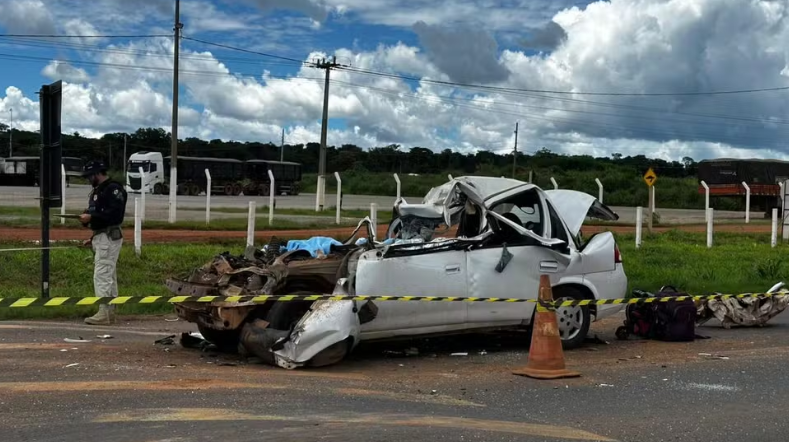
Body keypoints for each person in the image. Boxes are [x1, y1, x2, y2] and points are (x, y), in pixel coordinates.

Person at [79, 161, 127, 325]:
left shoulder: (113, 189)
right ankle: (110, 311)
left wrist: (92, 218)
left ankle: (104, 312)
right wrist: (92, 235)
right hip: (102, 235)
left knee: (102, 275)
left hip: (108, 236)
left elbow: (114, 215)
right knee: (108, 274)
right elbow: (99, 214)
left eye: (89, 176)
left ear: (97, 174)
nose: (87, 180)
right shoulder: (98, 190)